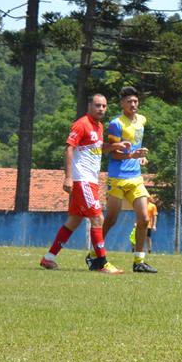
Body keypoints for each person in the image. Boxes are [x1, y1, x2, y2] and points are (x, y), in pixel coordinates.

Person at [39, 93, 122, 273]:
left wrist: (115, 146)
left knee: (74, 221)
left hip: (91, 181)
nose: (101, 109)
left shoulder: (99, 127)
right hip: (81, 180)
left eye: (104, 106)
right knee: (98, 218)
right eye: (98, 105)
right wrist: (68, 177)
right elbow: (69, 148)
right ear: (89, 106)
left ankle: (48, 258)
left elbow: (97, 148)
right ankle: (102, 263)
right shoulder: (82, 124)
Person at [101, 86, 156, 274]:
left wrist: (140, 156)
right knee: (111, 219)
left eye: (135, 101)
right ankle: (95, 253)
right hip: (118, 177)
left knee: (144, 218)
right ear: (122, 103)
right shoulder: (116, 124)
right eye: (129, 101)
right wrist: (132, 155)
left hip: (136, 177)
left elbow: (136, 146)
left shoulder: (142, 120)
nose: (133, 104)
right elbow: (114, 154)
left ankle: (139, 261)